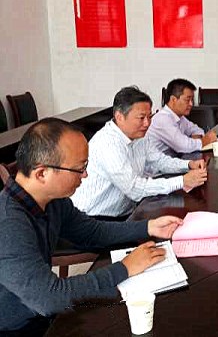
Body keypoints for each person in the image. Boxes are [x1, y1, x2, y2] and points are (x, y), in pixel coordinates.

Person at [0, 118, 183, 335]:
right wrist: (125, 268)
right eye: (79, 169)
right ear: (42, 173)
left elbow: (92, 231)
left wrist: (148, 227)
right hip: (14, 326)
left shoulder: (51, 200)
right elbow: (50, 298)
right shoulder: (8, 223)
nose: (85, 175)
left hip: (37, 314)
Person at [71, 86, 207, 219]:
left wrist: (188, 165)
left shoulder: (139, 136)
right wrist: (182, 181)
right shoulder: (108, 144)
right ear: (119, 117)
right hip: (93, 218)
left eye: (149, 116)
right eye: (141, 118)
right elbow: (134, 188)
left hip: (125, 213)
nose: (147, 123)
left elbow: (159, 161)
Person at [147, 78, 217, 155]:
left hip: (172, 158)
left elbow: (195, 129)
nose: (191, 104)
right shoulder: (163, 119)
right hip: (156, 161)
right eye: (187, 100)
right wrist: (203, 142)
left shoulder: (179, 116)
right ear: (173, 99)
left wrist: (197, 138)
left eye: (192, 100)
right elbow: (183, 146)